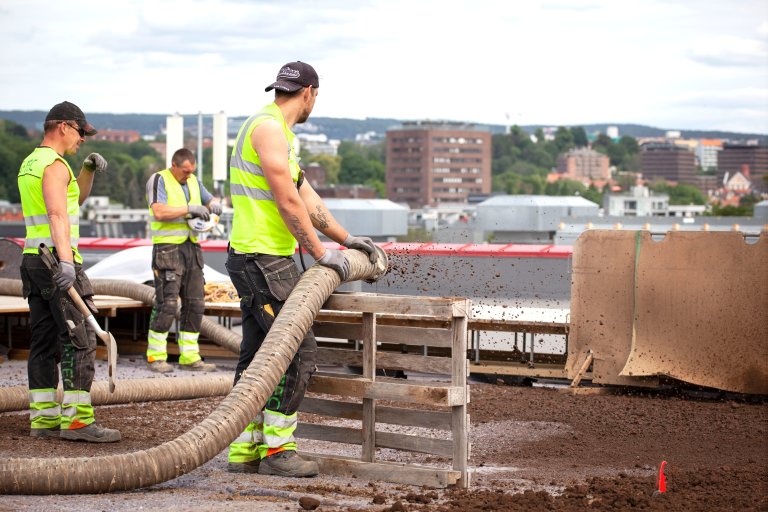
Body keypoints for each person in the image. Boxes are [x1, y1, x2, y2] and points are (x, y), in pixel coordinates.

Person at [226, 61, 378, 478]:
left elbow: (304, 193)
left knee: (259, 354)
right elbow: (287, 201)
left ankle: (244, 449)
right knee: (295, 350)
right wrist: (319, 253)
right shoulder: (268, 129)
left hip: (260, 257)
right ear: (310, 92)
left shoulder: (278, 132)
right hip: (262, 260)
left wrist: (347, 240)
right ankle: (277, 452)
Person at [18, 101, 120, 442]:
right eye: (80, 132)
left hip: (34, 260)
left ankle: (44, 419)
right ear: (63, 126)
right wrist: (66, 263)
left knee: (44, 340)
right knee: (80, 338)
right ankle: (78, 422)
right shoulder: (55, 164)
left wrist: (87, 170)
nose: (83, 140)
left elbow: (70, 202)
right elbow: (57, 215)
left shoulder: (32, 162)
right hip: (56, 263)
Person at [144, 148, 223, 373]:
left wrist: (214, 205)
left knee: (195, 303)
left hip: (191, 247)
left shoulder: (194, 181)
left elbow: (209, 200)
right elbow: (159, 212)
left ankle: (189, 357)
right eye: (185, 171)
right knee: (167, 303)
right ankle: (156, 356)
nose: (188, 175)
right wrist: (189, 209)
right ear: (174, 165)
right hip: (167, 249)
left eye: (192, 171)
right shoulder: (159, 179)